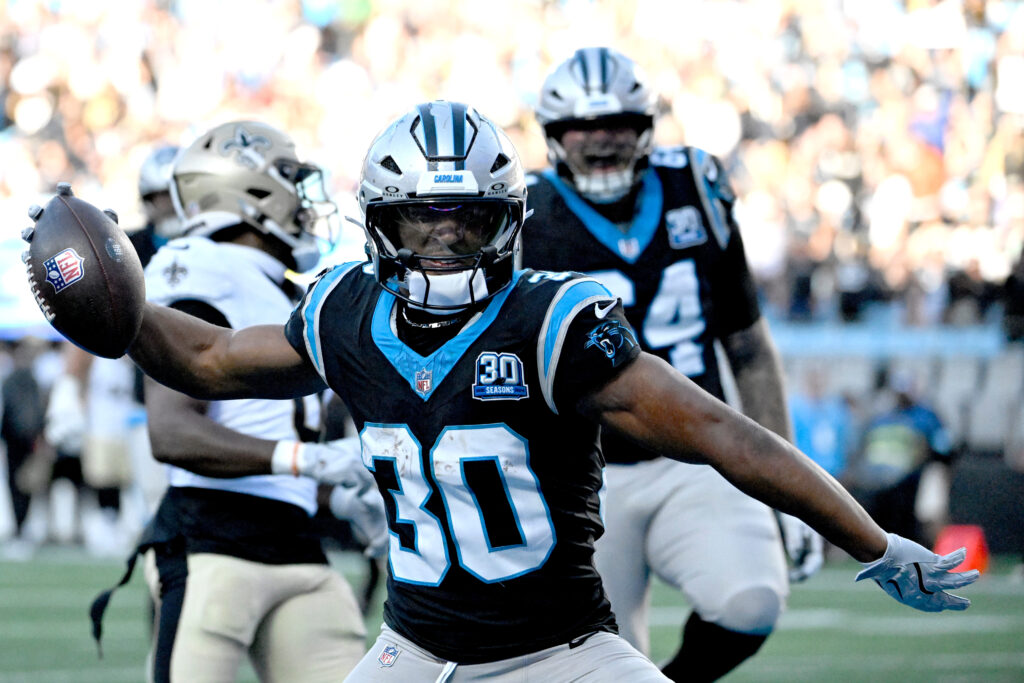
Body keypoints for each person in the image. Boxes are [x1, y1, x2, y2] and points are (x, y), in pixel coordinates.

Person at [35, 101, 977, 683]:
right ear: (379, 222)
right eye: (419, 218)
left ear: (507, 222)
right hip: (413, 649)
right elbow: (201, 361)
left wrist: (875, 538)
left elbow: (730, 437)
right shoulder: (347, 311)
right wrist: (106, 292)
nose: (442, 239)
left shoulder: (553, 324)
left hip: (564, 653)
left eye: (466, 219)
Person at [520, 47, 819, 680]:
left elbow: (748, 347)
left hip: (698, 452)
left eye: (619, 123)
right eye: (581, 126)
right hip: (581, 476)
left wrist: (785, 487)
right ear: (554, 136)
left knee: (751, 600)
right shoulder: (524, 218)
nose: (601, 138)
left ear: (646, 126)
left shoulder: (695, 188)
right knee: (600, 661)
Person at [90, 122, 385, 682]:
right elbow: (171, 432)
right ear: (250, 191)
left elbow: (278, 420)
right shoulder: (200, 263)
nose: (305, 198)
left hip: (298, 545)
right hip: (212, 543)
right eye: (292, 181)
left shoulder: (295, 288)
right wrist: (305, 460)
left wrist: (344, 490)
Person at [44, 144, 183, 554]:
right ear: (148, 199)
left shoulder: (219, 246)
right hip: (152, 401)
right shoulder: (126, 246)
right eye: (162, 196)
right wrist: (69, 389)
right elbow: (90, 314)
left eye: (178, 195)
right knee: (164, 524)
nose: (171, 206)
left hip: (216, 397)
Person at [844, 369, 953, 547]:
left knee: (925, 517)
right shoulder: (885, 417)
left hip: (919, 476)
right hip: (886, 480)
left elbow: (943, 447)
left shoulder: (927, 416)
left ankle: (938, 551)